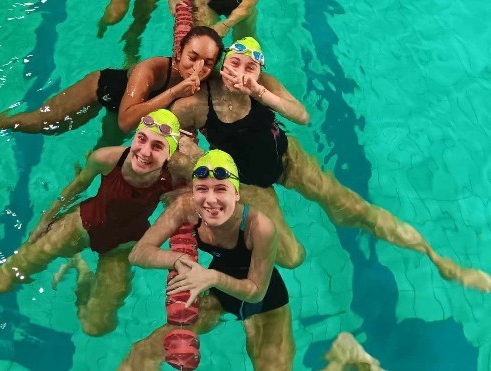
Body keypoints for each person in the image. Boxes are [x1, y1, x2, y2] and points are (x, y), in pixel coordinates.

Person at [171, 36, 491, 292]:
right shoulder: (198, 105)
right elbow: (166, 135)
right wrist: (191, 164)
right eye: (234, 62)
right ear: (224, 62)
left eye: (250, 67)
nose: (241, 71)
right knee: (293, 257)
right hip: (249, 185)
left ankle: (438, 259)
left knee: (357, 209)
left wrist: (259, 92)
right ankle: (230, 246)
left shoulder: (263, 84)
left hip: (287, 158)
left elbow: (302, 116)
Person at [0, 110, 191, 361]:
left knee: (96, 326)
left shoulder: (174, 177)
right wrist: (44, 221)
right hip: (82, 225)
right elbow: (76, 187)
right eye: (141, 139)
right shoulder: (107, 157)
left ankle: (80, 268)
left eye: (157, 146)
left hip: (122, 245)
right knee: (4, 278)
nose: (145, 151)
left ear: (169, 154)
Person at [120, 149, 294, 370]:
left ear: (237, 193)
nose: (211, 200)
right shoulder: (186, 207)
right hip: (217, 294)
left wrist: (212, 277)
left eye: (221, 189)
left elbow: (256, 292)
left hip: (266, 301)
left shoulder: (260, 227)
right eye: (202, 189)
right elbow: (138, 253)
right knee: (146, 351)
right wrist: (178, 259)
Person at [0, 26, 223, 158]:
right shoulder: (149, 71)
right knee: (46, 124)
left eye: (207, 62)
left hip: (131, 109)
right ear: (178, 53)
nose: (198, 67)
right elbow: (128, 120)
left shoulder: (206, 78)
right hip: (102, 90)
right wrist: (176, 91)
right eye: (192, 57)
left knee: (104, 154)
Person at [169, 0, 259, 39]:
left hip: (237, 4)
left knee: (246, 37)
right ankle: (212, 72)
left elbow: (246, 7)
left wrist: (225, 25)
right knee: (202, 37)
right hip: (206, 4)